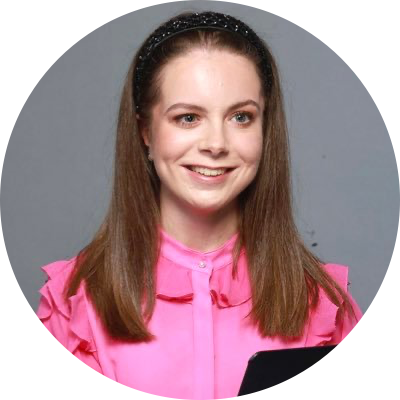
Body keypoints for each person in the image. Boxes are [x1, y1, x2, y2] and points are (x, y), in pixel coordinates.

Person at [35, 10, 363, 400]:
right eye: (188, 117)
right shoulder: (74, 303)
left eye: (241, 117)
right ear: (145, 132)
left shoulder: (322, 301)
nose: (216, 144)